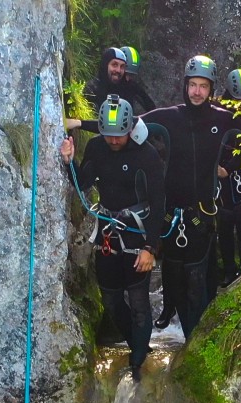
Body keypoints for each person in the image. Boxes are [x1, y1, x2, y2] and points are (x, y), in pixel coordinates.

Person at [139, 55, 241, 338]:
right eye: (193, 85)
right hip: (171, 214)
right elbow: (123, 126)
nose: (197, 92)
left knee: (200, 279)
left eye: (203, 86)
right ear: (185, 85)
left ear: (211, 89)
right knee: (174, 274)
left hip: (204, 214)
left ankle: (196, 339)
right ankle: (179, 321)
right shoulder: (169, 117)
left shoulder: (224, 119)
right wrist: (78, 124)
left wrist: (229, 167)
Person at [61, 96, 165, 380]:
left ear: (130, 128)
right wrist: (70, 160)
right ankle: (138, 346)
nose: (114, 141)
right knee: (111, 300)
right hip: (108, 232)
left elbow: (158, 204)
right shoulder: (97, 147)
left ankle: (138, 362)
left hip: (136, 234)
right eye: (108, 135)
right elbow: (82, 184)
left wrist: (150, 248)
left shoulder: (147, 155)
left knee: (139, 302)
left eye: (119, 135)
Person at [215, 68, 241, 286]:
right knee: (224, 224)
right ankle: (229, 269)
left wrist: (229, 169)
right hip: (222, 178)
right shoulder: (219, 109)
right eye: (238, 99)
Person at [83, 47, 157, 115]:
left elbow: (153, 111)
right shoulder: (92, 89)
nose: (118, 70)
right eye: (114, 65)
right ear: (105, 65)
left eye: (122, 66)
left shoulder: (130, 88)